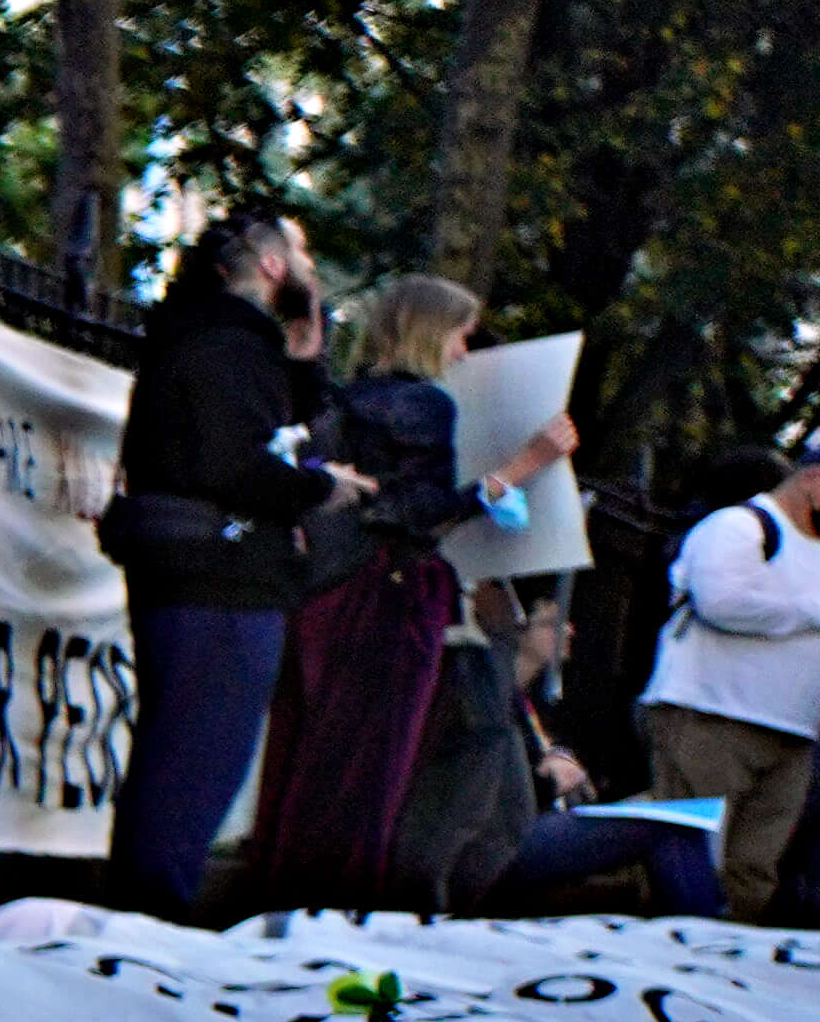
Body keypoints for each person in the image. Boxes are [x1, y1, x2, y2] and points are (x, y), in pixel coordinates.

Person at [231, 272, 576, 913]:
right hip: (389, 597)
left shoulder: (351, 398)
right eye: (460, 337)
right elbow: (417, 512)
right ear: (432, 331)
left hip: (330, 593)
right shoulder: (425, 404)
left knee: (314, 752)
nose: (463, 353)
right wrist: (521, 469)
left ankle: (285, 900)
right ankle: (335, 911)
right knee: (370, 763)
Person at [103, 205, 331, 911]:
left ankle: (143, 912)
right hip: (224, 580)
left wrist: (307, 349)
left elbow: (275, 425)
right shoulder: (230, 348)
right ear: (271, 267)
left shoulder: (201, 340)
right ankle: (152, 920)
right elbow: (235, 464)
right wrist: (324, 487)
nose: (311, 272)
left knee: (175, 759)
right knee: (196, 765)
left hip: (194, 572)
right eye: (304, 257)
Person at [640, 431, 820, 923]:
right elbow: (723, 604)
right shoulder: (740, 527)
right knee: (689, 861)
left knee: (754, 869)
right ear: (815, 478)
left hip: (793, 734)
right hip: (714, 716)